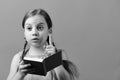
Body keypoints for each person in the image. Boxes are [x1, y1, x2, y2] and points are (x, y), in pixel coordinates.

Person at [7, 8, 79, 80]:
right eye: (29, 28)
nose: (34, 33)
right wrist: (20, 74)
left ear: (49, 31)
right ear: (24, 34)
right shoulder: (18, 58)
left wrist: (54, 60)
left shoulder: (59, 54)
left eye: (40, 28)